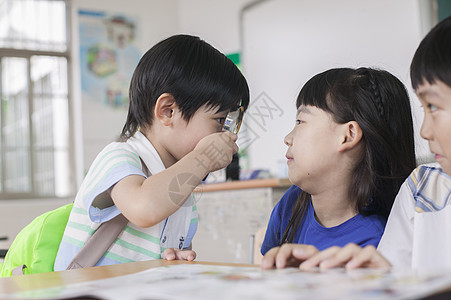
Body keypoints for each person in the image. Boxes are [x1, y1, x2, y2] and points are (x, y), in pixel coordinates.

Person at [260, 16, 451, 272]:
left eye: (301, 121)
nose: (425, 131)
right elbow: (398, 280)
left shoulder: (373, 233)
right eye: (424, 108)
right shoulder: (421, 188)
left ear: (348, 135)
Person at [54, 34, 249, 270]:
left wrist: (175, 259)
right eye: (220, 121)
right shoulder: (119, 157)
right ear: (168, 111)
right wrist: (203, 158)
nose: (227, 134)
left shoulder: (180, 189)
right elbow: (144, 208)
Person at [260, 67, 417, 269]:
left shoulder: (375, 245)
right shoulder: (292, 203)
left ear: (348, 135)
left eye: (300, 121)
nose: (288, 138)